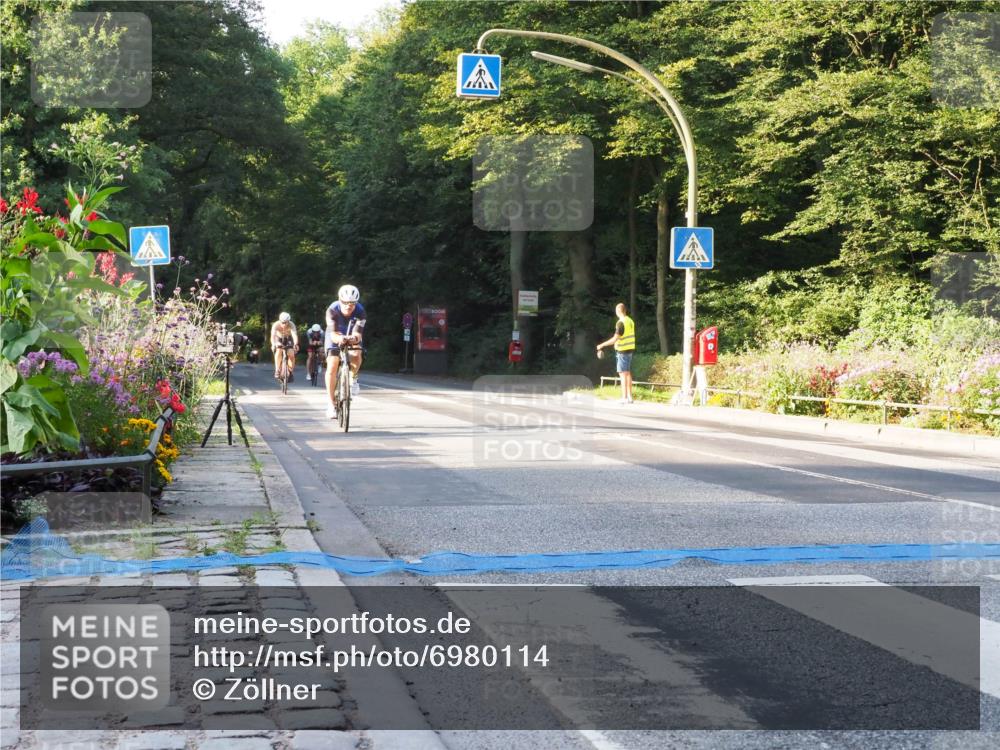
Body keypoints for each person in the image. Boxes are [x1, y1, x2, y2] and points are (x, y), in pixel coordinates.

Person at [325, 284, 367, 419]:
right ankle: (331, 404)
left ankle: (353, 378)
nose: (349, 306)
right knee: (332, 365)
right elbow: (333, 335)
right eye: (345, 303)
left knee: (356, 353)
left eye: (352, 303)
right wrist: (340, 338)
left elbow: (358, 334)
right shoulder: (332, 310)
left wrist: (353, 338)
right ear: (339, 300)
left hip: (351, 332)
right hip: (335, 333)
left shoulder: (360, 311)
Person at [596, 302, 635, 404]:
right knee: (628, 373)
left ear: (618, 311)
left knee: (623, 374)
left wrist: (602, 345)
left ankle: (624, 397)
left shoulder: (620, 323)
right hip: (630, 349)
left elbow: (614, 339)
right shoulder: (630, 321)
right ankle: (630, 397)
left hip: (623, 351)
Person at [270, 311, 299, 381]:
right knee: (279, 350)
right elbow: (272, 336)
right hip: (278, 338)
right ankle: (277, 370)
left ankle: (290, 371)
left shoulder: (291, 324)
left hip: (288, 338)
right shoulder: (276, 325)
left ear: (288, 321)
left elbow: (294, 335)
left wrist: (295, 344)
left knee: (291, 354)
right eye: (282, 322)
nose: (284, 324)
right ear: (280, 320)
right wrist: (273, 344)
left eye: (286, 322)